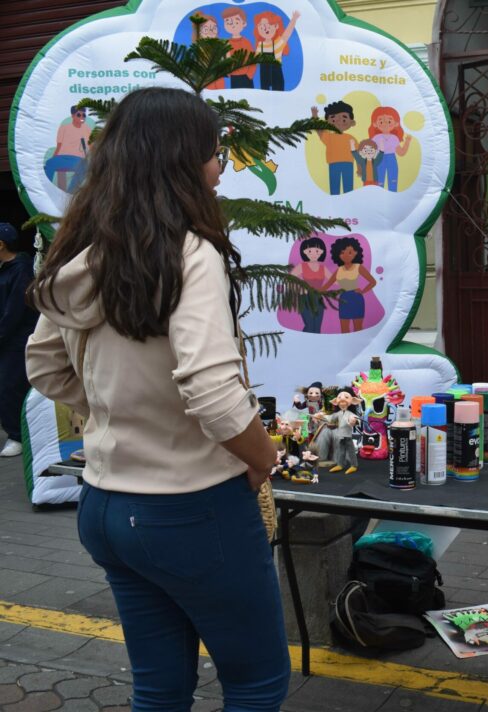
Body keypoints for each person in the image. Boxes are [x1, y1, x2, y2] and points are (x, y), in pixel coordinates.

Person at [25, 87, 290, 710]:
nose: (220, 169)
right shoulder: (190, 252)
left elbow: (43, 365)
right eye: (214, 153)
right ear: (181, 160)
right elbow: (214, 393)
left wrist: (117, 409)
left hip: (104, 505)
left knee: (161, 686)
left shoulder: (82, 253)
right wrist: (263, 457)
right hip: (190, 508)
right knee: (256, 682)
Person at [0, 223, 39, 457]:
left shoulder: (21, 270)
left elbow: (14, 312)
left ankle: (17, 436)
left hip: (16, 340)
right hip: (6, 339)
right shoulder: (5, 269)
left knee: (10, 387)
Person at [321, 236, 377, 333]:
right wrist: (312, 290)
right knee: (344, 329)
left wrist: (363, 291)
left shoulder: (358, 267)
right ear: (338, 254)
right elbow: (327, 285)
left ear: (356, 252)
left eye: (350, 252)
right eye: (342, 253)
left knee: (358, 328)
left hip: (356, 298)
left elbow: (373, 282)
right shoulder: (339, 270)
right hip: (343, 299)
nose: (346, 255)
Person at [311, 101, 357, 195]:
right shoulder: (329, 137)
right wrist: (315, 116)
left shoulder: (350, 138)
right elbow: (319, 130)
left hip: (348, 164)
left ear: (352, 122)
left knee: (348, 189)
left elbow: (359, 151)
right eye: (333, 119)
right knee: (334, 189)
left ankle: (349, 201)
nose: (339, 121)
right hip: (334, 164)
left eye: (344, 119)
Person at [44, 106, 91, 192]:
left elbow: (90, 146)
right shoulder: (64, 128)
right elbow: (59, 146)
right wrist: (54, 157)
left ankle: (70, 192)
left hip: (77, 159)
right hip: (62, 157)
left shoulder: (87, 129)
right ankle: (47, 189)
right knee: (49, 163)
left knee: (83, 167)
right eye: (79, 115)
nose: (82, 117)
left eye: (84, 115)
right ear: (72, 116)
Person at [254, 10, 300, 91]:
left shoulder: (278, 43)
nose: (265, 29)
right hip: (264, 77)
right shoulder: (260, 46)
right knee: (264, 95)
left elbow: (287, 33)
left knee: (279, 94)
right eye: (261, 27)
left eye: (268, 26)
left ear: (276, 26)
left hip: (277, 76)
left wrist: (294, 19)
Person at [222, 6, 256, 89]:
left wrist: (250, 74)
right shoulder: (226, 43)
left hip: (246, 76)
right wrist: (228, 72)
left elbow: (253, 59)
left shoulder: (246, 42)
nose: (232, 25)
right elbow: (225, 59)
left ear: (244, 23)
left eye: (236, 22)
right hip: (234, 76)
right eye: (228, 23)